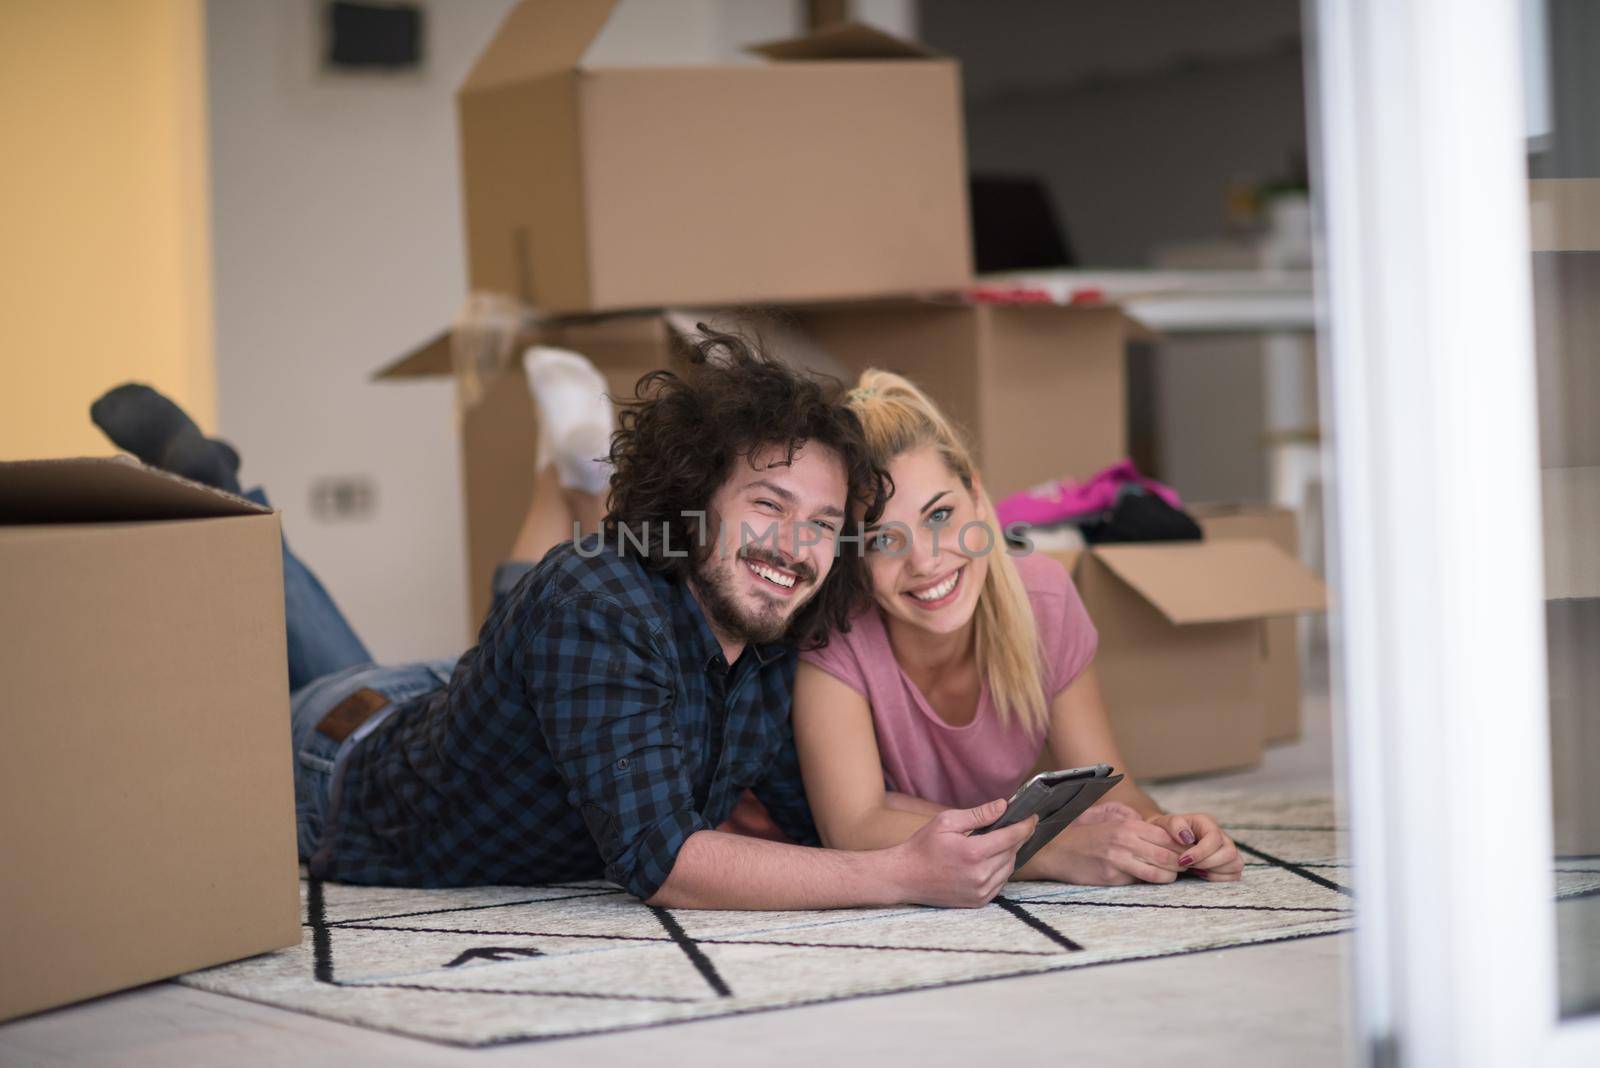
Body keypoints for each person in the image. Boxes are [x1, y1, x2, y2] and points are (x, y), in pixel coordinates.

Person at [88, 333, 1038, 910]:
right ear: (696, 497)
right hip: (340, 762)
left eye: (825, 525)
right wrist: (897, 878)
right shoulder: (598, 598)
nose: (795, 544)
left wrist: (1028, 838)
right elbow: (664, 861)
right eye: (768, 504)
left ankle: (563, 475)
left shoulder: (782, 630)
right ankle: (217, 490)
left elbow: (841, 819)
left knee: (514, 636)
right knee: (328, 676)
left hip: (470, 708)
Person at [793, 370, 1245, 886]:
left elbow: (1112, 789)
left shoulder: (1043, 598)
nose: (926, 561)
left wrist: (1169, 834)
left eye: (940, 515)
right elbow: (853, 824)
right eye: (881, 541)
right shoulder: (835, 633)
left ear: (978, 498)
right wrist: (1045, 850)